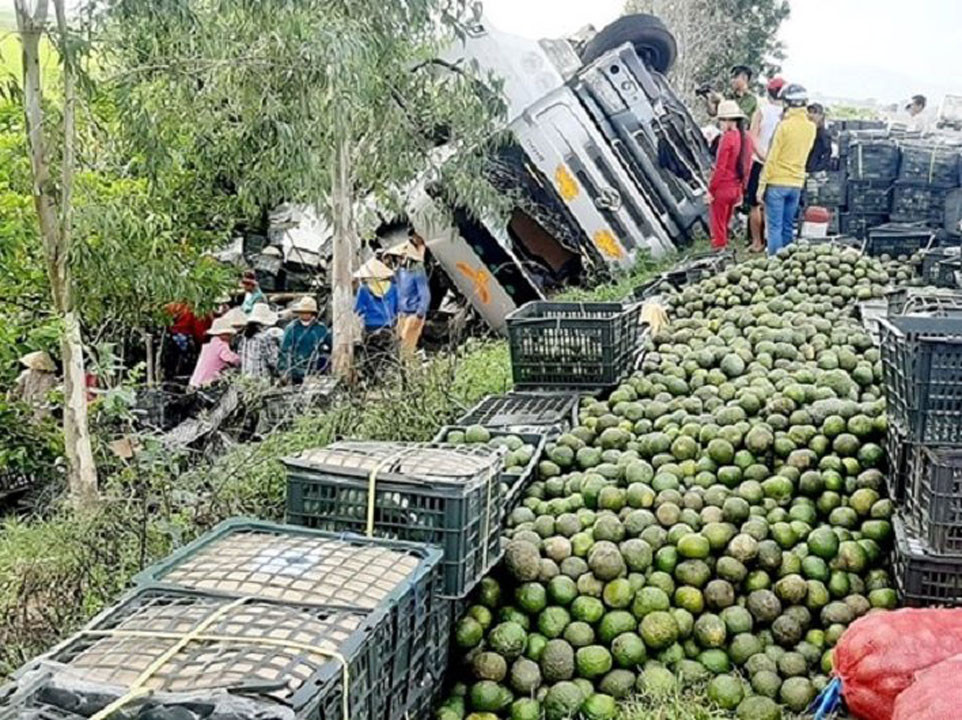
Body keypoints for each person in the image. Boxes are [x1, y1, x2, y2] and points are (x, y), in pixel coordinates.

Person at [757, 83, 816, 255]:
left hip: (777, 183)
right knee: (788, 227)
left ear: (788, 103)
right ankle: (789, 264)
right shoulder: (811, 127)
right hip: (796, 184)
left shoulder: (784, 126)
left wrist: (761, 186)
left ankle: (774, 264)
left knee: (774, 228)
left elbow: (772, 158)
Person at [707, 101, 753, 250]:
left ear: (726, 121)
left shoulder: (727, 138)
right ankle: (725, 253)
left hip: (722, 187)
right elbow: (746, 165)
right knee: (725, 224)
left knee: (718, 228)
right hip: (735, 188)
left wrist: (711, 189)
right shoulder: (745, 137)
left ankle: (720, 253)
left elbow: (720, 167)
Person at [746, 77, 785, 252]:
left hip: (760, 162)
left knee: (756, 204)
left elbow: (752, 135)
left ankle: (757, 242)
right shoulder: (787, 113)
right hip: (780, 164)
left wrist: (762, 155)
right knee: (776, 203)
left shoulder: (761, 111)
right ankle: (775, 243)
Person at [389, 234, 431, 358]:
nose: (398, 260)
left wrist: (419, 313)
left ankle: (409, 372)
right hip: (402, 313)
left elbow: (425, 294)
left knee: (407, 347)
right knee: (398, 345)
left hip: (413, 313)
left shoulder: (417, 270)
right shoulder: (400, 272)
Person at [354, 257, 399, 368]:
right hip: (388, 326)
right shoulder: (393, 288)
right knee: (388, 358)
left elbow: (357, 309)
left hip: (370, 327)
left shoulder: (364, 289)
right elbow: (397, 308)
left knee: (371, 359)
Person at [279, 296, 331, 384]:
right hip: (295, 371)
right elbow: (284, 351)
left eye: (307, 312)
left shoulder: (320, 328)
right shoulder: (292, 328)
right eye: (302, 312)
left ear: (312, 313)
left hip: (315, 370)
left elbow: (330, 345)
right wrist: (284, 371)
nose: (304, 314)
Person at [188, 316, 240, 389]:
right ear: (223, 334)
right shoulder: (221, 345)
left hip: (195, 382)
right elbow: (232, 359)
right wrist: (240, 358)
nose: (230, 337)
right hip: (204, 384)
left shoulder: (209, 344)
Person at [10, 351, 57, 422]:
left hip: (43, 406)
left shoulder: (51, 377)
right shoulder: (26, 374)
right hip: (27, 404)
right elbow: (17, 388)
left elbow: (55, 390)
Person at [239, 303, 282, 379]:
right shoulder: (265, 337)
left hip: (245, 377)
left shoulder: (244, 336)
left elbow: (240, 355)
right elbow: (273, 361)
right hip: (261, 378)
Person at [806, 103, 832, 173]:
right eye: (809, 112)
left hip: (814, 172)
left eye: (815, 112)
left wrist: (817, 169)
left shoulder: (823, 135)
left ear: (821, 116)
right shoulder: (804, 132)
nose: (811, 115)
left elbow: (826, 155)